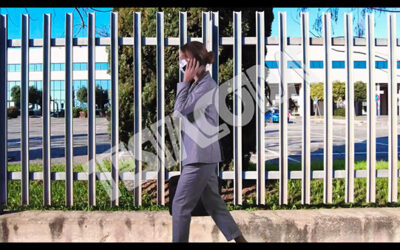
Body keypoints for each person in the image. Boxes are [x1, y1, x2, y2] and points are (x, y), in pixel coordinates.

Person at [172, 41, 248, 243]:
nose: (180, 63)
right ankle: (240, 240)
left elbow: (179, 112)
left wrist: (185, 81)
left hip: (199, 156)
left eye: (183, 59)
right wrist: (188, 82)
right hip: (204, 155)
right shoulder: (200, 85)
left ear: (194, 61)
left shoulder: (204, 86)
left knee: (180, 207)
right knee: (214, 205)